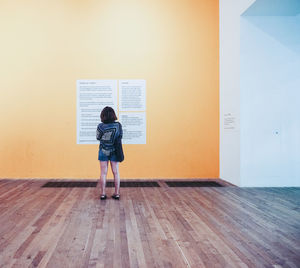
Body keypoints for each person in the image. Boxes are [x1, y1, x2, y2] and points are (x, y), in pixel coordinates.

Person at [96, 106, 123, 200]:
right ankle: (117, 193)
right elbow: (120, 136)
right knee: (116, 172)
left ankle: (103, 194)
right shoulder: (118, 125)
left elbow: (98, 137)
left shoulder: (100, 126)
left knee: (103, 173)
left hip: (103, 150)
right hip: (115, 151)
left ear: (103, 115)